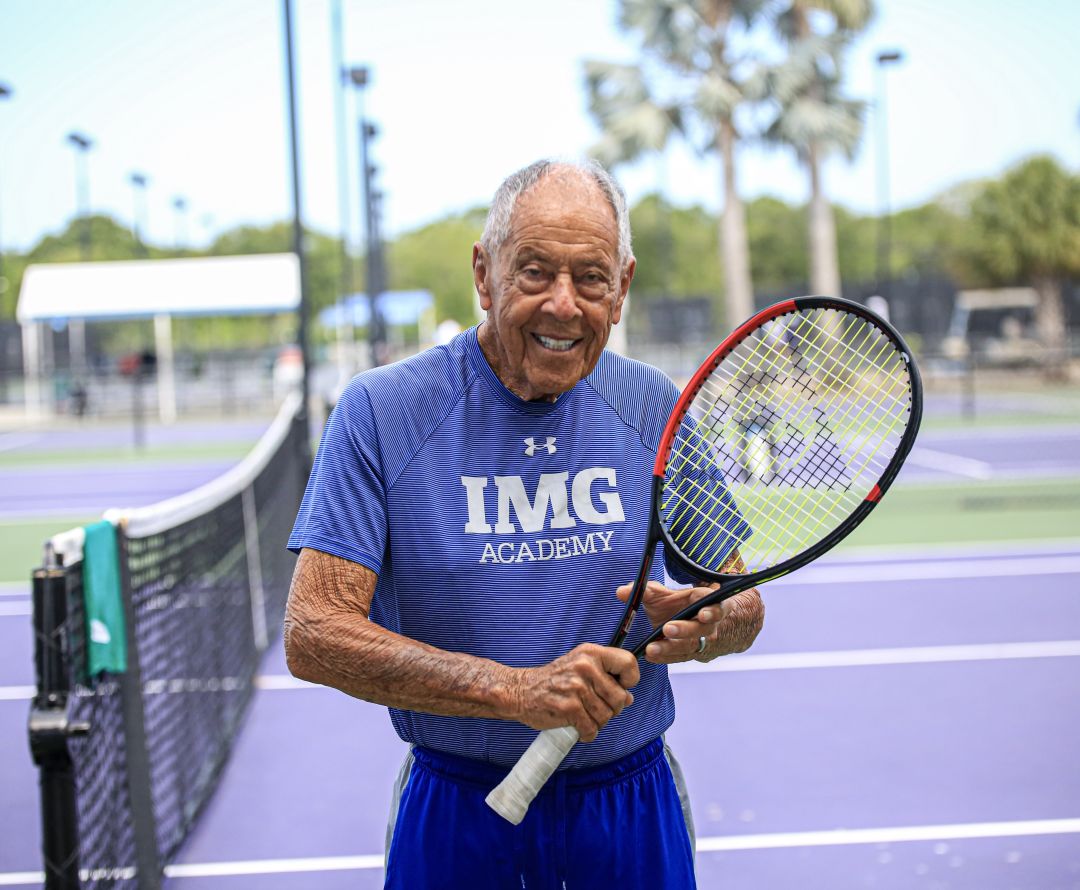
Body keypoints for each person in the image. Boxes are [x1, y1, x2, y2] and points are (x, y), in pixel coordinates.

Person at [285, 158, 764, 888]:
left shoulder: (652, 406)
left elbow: (741, 600)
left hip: (629, 808)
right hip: (458, 810)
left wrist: (710, 624)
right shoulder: (382, 412)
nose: (563, 305)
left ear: (623, 287)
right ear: (484, 273)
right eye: (534, 272)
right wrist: (514, 691)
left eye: (591, 278)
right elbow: (314, 633)